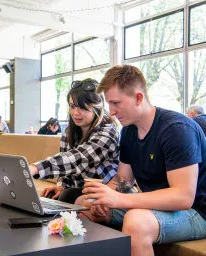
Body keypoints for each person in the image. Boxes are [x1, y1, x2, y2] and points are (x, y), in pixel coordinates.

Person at [79, 65, 206, 256]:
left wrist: (120, 199)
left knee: (136, 222)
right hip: (156, 207)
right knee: (84, 204)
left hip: (197, 212)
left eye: (116, 103)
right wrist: (104, 197)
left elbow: (183, 197)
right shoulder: (129, 131)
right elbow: (123, 180)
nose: (111, 112)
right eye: (109, 105)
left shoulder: (176, 129)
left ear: (138, 97)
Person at [29, 78, 120, 204]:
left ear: (97, 108)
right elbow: (66, 167)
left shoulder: (108, 132)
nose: (75, 113)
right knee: (48, 198)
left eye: (83, 107)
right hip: (77, 191)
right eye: (72, 106)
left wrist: (35, 168)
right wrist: (61, 186)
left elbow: (78, 158)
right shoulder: (69, 132)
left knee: (67, 195)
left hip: (105, 192)